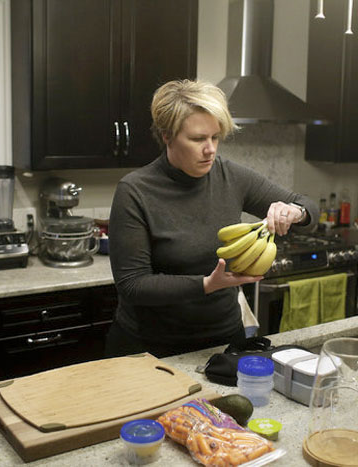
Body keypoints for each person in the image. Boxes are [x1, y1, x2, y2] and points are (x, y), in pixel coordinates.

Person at [105, 79, 318, 358]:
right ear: (166, 135)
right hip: (150, 347)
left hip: (222, 341)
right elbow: (133, 284)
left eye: (215, 137)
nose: (210, 149)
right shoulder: (135, 191)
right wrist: (207, 284)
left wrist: (295, 212)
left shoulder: (233, 177)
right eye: (197, 139)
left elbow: (309, 207)